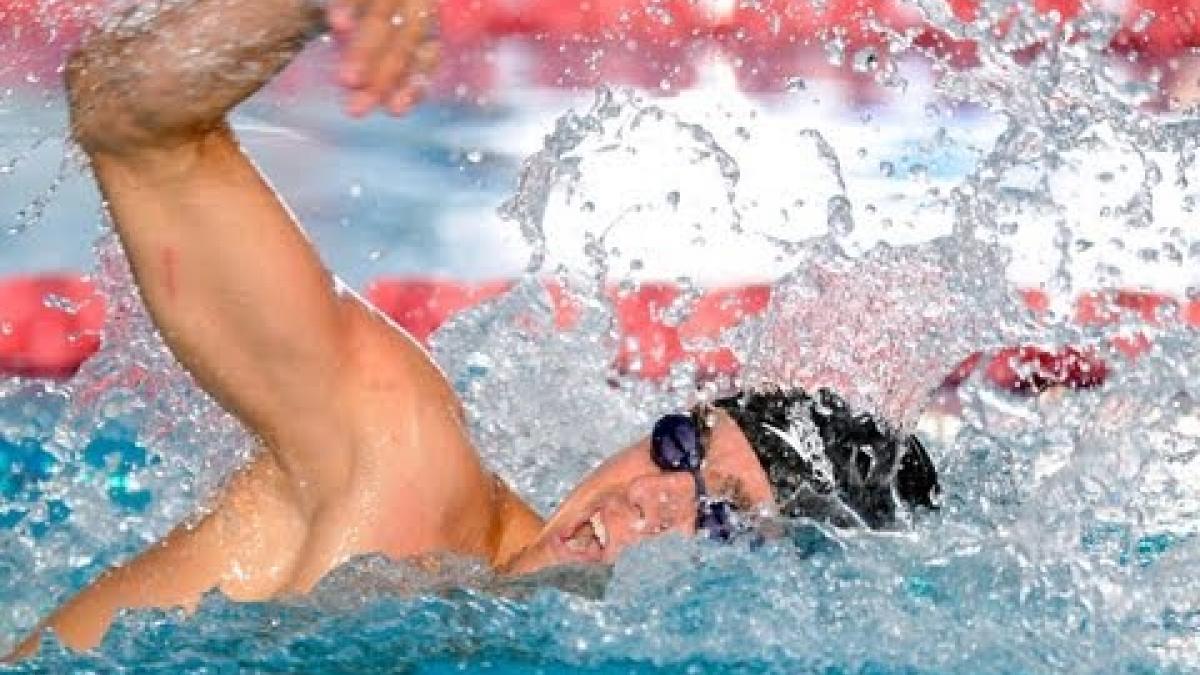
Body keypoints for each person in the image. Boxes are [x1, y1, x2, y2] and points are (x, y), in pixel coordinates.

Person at [5, 0, 939, 659]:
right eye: (679, 446)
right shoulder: (397, 468)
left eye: (721, 517)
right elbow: (129, 117)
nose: (653, 500)